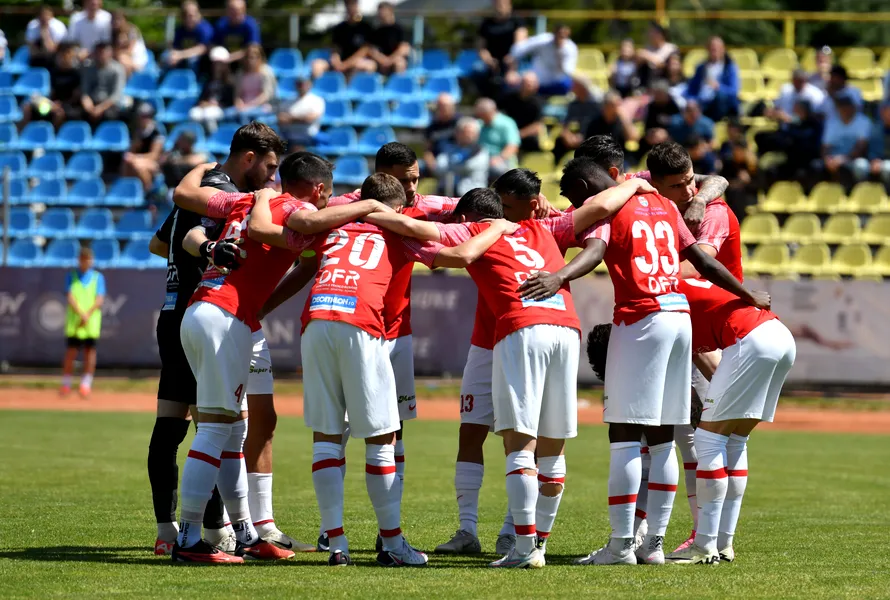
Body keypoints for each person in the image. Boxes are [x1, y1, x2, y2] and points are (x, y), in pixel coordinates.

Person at [367, 178, 651, 569]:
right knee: (552, 448)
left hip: (522, 327)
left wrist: (367, 209)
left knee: (519, 444)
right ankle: (538, 545)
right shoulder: (544, 226)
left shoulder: (476, 229)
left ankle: (523, 547)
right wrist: (636, 184)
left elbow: (416, 227)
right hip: (566, 327)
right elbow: (599, 207)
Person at [536, 155, 767, 567]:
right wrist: (747, 293)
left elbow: (595, 251)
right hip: (679, 317)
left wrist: (560, 277)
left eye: (572, 196)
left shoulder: (608, 207)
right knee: (662, 439)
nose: (575, 205)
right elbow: (704, 261)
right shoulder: (663, 203)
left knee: (625, 434)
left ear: (584, 189)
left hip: (641, 318)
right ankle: (654, 546)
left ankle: (620, 546)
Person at [171, 151, 386, 564]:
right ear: (319, 190)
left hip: (205, 310)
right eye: (328, 194)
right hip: (224, 316)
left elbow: (185, 196)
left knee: (233, 429)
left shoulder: (247, 199)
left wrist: (203, 167)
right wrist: (370, 205)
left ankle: (246, 533)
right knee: (215, 428)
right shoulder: (293, 208)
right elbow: (304, 223)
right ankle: (188, 540)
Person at [147, 122, 292, 558]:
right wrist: (211, 253)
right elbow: (195, 238)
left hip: (174, 311)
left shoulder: (200, 187)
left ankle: (168, 530)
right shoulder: (223, 191)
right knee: (218, 427)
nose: (271, 177)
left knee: (173, 424)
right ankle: (214, 532)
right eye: (269, 167)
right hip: (210, 311)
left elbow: (159, 244)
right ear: (249, 158)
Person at [60, 246, 105, 398]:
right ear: (79, 260)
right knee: (71, 352)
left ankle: (85, 385)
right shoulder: (71, 276)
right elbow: (70, 296)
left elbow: (99, 299)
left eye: (88, 259)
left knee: (89, 353)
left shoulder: (98, 277)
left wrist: (87, 315)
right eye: (83, 258)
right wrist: (81, 314)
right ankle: (66, 384)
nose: (85, 261)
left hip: (90, 323)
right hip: (75, 322)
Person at [20, 42, 82, 129]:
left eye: (68, 55)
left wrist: (61, 105)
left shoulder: (76, 75)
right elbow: (48, 92)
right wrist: (49, 103)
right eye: (62, 55)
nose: (65, 58)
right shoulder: (52, 72)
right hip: (49, 104)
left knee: (59, 113)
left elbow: (75, 97)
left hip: (66, 106)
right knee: (27, 107)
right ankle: (23, 133)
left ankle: (51, 134)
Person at [508, 24, 578, 97]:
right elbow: (519, 49)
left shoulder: (570, 48)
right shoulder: (543, 40)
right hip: (537, 82)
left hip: (558, 83)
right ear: (554, 32)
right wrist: (512, 69)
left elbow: (568, 71)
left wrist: (560, 57)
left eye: (564, 35)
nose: (561, 37)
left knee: (571, 84)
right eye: (559, 34)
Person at [312, 0, 375, 79]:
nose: (350, 7)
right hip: (340, 63)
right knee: (317, 65)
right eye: (348, 4)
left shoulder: (366, 27)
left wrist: (346, 65)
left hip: (356, 62)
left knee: (368, 65)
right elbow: (335, 48)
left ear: (357, 5)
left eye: (353, 4)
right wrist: (336, 60)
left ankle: (351, 86)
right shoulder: (339, 28)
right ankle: (320, 86)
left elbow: (365, 50)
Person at [818, 93, 871, 186]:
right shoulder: (832, 122)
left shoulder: (863, 121)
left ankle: (861, 190)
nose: (843, 109)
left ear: (853, 107)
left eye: (846, 106)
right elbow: (825, 146)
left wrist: (844, 159)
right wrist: (827, 159)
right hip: (833, 159)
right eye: (841, 106)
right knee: (816, 165)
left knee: (861, 165)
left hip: (853, 158)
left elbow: (861, 147)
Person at [684, 36, 740, 121]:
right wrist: (691, 100)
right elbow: (692, 89)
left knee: (720, 98)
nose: (714, 51)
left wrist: (718, 87)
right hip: (701, 102)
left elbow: (733, 91)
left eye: (717, 49)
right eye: (712, 49)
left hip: (718, 104)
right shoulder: (701, 67)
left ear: (723, 50)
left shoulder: (729, 68)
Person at [435, 117, 490, 196]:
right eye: (463, 132)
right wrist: (455, 165)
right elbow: (439, 167)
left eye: (470, 133)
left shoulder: (480, 151)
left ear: (477, 135)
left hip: (472, 195)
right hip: (448, 191)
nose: (467, 135)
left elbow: (469, 167)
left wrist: (452, 165)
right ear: (456, 133)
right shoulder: (450, 149)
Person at [551, 81, 601, 164]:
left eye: (576, 87)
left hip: (589, 138)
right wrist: (567, 136)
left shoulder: (595, 106)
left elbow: (597, 126)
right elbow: (564, 124)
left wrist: (584, 137)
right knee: (559, 142)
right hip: (572, 139)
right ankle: (556, 167)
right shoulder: (573, 105)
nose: (573, 89)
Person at [188, 46, 235, 132]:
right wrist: (202, 103)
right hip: (207, 107)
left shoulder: (230, 82)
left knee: (209, 114)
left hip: (220, 108)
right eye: (215, 63)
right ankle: (197, 136)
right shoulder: (208, 80)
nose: (216, 66)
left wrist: (216, 105)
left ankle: (213, 136)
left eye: (219, 63)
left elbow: (230, 102)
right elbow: (202, 98)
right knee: (194, 113)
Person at [79, 42, 126, 125]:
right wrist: (88, 105)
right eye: (98, 53)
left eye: (103, 53)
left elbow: (116, 95)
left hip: (109, 105)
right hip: (93, 103)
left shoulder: (117, 70)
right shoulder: (89, 69)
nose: (100, 56)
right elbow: (85, 91)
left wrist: (100, 108)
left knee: (110, 116)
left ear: (110, 54)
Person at [122, 103, 165, 191]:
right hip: (137, 161)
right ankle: (127, 190)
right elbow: (131, 151)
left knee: (138, 166)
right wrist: (135, 144)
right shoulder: (138, 132)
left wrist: (135, 157)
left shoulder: (157, 132)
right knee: (126, 163)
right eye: (141, 116)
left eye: (147, 116)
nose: (143, 119)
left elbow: (154, 156)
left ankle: (149, 192)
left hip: (155, 163)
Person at [583, 92, 639, 160]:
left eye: (619, 105)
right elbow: (588, 145)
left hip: (619, 158)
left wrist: (624, 119)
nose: (618, 108)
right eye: (614, 105)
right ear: (605, 106)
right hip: (599, 158)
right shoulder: (595, 123)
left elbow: (633, 137)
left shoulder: (622, 121)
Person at [475, 98, 520, 181]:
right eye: (480, 115)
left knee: (497, 170)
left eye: (484, 115)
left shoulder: (507, 123)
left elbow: (512, 146)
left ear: (493, 111)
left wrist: (499, 158)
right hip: (480, 159)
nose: (482, 117)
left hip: (502, 160)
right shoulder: (478, 124)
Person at [277, 77, 325, 149]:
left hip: (309, 136)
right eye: (299, 84)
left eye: (304, 84)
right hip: (288, 135)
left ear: (310, 85)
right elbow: (280, 118)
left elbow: (310, 119)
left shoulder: (317, 100)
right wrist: (301, 118)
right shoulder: (288, 100)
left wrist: (290, 118)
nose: (302, 86)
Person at [501, 71, 544, 152]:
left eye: (532, 83)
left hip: (524, 137)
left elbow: (537, 126)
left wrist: (518, 135)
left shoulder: (539, 103)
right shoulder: (509, 98)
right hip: (506, 133)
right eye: (526, 83)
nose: (528, 85)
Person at [167, 0, 214, 71]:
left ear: (198, 14)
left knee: (192, 59)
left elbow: (202, 49)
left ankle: (193, 78)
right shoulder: (180, 30)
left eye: (191, 15)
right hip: (182, 58)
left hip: (202, 62)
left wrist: (181, 55)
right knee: (166, 56)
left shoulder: (205, 28)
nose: (189, 18)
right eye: (185, 15)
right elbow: (175, 47)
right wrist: (173, 55)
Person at [230, 44, 276, 118]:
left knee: (244, 116)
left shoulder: (266, 72)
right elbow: (237, 95)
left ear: (260, 57)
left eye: (253, 57)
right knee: (227, 114)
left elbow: (266, 95)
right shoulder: (241, 73)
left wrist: (250, 105)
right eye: (247, 57)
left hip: (261, 107)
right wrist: (239, 103)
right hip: (243, 107)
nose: (250, 60)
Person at [853, 103, 890, 186]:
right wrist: (874, 160)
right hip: (875, 161)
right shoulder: (875, 128)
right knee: (860, 164)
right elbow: (872, 149)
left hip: (887, 163)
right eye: (886, 111)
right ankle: (861, 189)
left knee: (887, 167)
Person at [213, 0, 260, 65]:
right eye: (232, 11)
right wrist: (218, 55)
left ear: (244, 11)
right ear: (227, 11)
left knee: (252, 57)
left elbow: (254, 48)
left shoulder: (251, 25)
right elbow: (213, 44)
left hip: (245, 62)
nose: (235, 14)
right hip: (224, 62)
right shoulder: (221, 24)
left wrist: (231, 58)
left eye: (238, 11)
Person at [370, 2, 410, 75]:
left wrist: (389, 60)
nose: (381, 14)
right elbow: (373, 50)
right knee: (368, 65)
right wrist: (382, 60)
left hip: (395, 59)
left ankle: (398, 82)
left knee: (400, 64)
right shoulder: (377, 31)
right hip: (380, 61)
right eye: (380, 12)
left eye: (383, 11)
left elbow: (404, 49)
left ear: (390, 11)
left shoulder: (399, 29)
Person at [423, 93, 458, 173]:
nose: (443, 109)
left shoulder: (460, 123)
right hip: (435, 160)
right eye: (440, 107)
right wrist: (430, 160)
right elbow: (427, 149)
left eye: (446, 106)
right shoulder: (432, 125)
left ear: (452, 107)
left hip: (455, 159)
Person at [26, 4, 68, 69]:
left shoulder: (58, 26)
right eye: (41, 15)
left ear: (51, 15)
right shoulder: (32, 25)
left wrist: (45, 33)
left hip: (55, 58)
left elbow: (52, 49)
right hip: (37, 58)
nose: (44, 18)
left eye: (46, 15)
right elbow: (32, 50)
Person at [111, 10, 149, 75]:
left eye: (118, 19)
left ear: (124, 19)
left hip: (136, 56)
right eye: (114, 20)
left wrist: (115, 53)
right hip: (121, 57)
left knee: (121, 59)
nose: (116, 22)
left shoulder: (132, 30)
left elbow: (130, 51)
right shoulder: (113, 32)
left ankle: (137, 70)